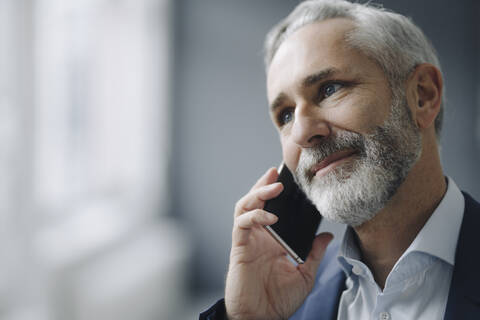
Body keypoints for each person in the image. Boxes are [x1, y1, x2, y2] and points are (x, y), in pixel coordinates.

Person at [200, 0, 480, 319]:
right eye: (286, 114)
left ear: (422, 96)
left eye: (330, 89)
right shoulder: (286, 300)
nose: (302, 132)